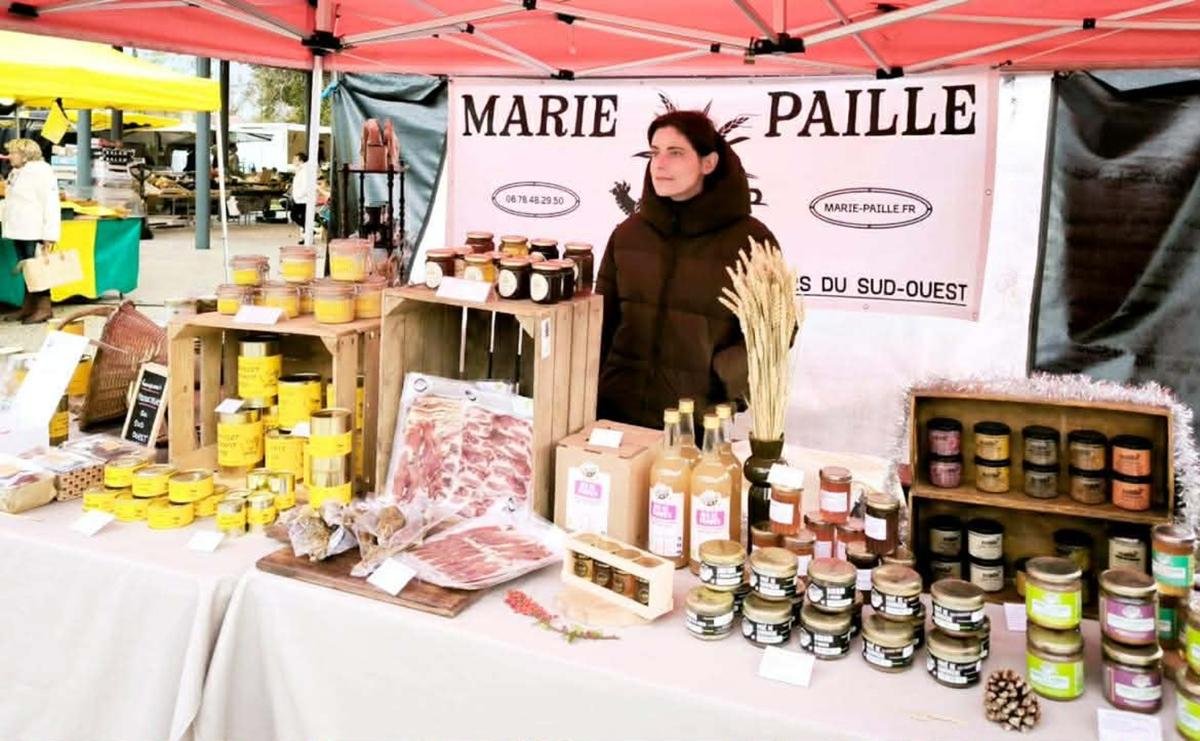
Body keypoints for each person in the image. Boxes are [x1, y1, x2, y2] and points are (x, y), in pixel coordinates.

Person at [596, 111, 776, 431]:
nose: (659, 164)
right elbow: (601, 319)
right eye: (654, 152)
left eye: (675, 152)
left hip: (695, 424)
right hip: (614, 414)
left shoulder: (752, 241)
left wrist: (724, 376)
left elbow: (777, 329)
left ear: (709, 163)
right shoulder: (627, 234)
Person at [2, 138, 61, 324]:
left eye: (13, 152)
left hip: (33, 230)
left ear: (25, 154)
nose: (9, 156)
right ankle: (28, 306)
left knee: (37, 268)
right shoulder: (17, 173)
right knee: (27, 269)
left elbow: (51, 204)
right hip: (19, 229)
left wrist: (49, 235)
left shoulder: (41, 172)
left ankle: (44, 308)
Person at [289, 152, 310, 240]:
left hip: (302, 199)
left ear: (300, 160)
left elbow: (305, 185)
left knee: (294, 216)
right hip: (299, 198)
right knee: (302, 218)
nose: (293, 161)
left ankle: (309, 231)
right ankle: (306, 235)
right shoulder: (300, 169)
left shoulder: (305, 170)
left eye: (295, 159)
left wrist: (299, 195)